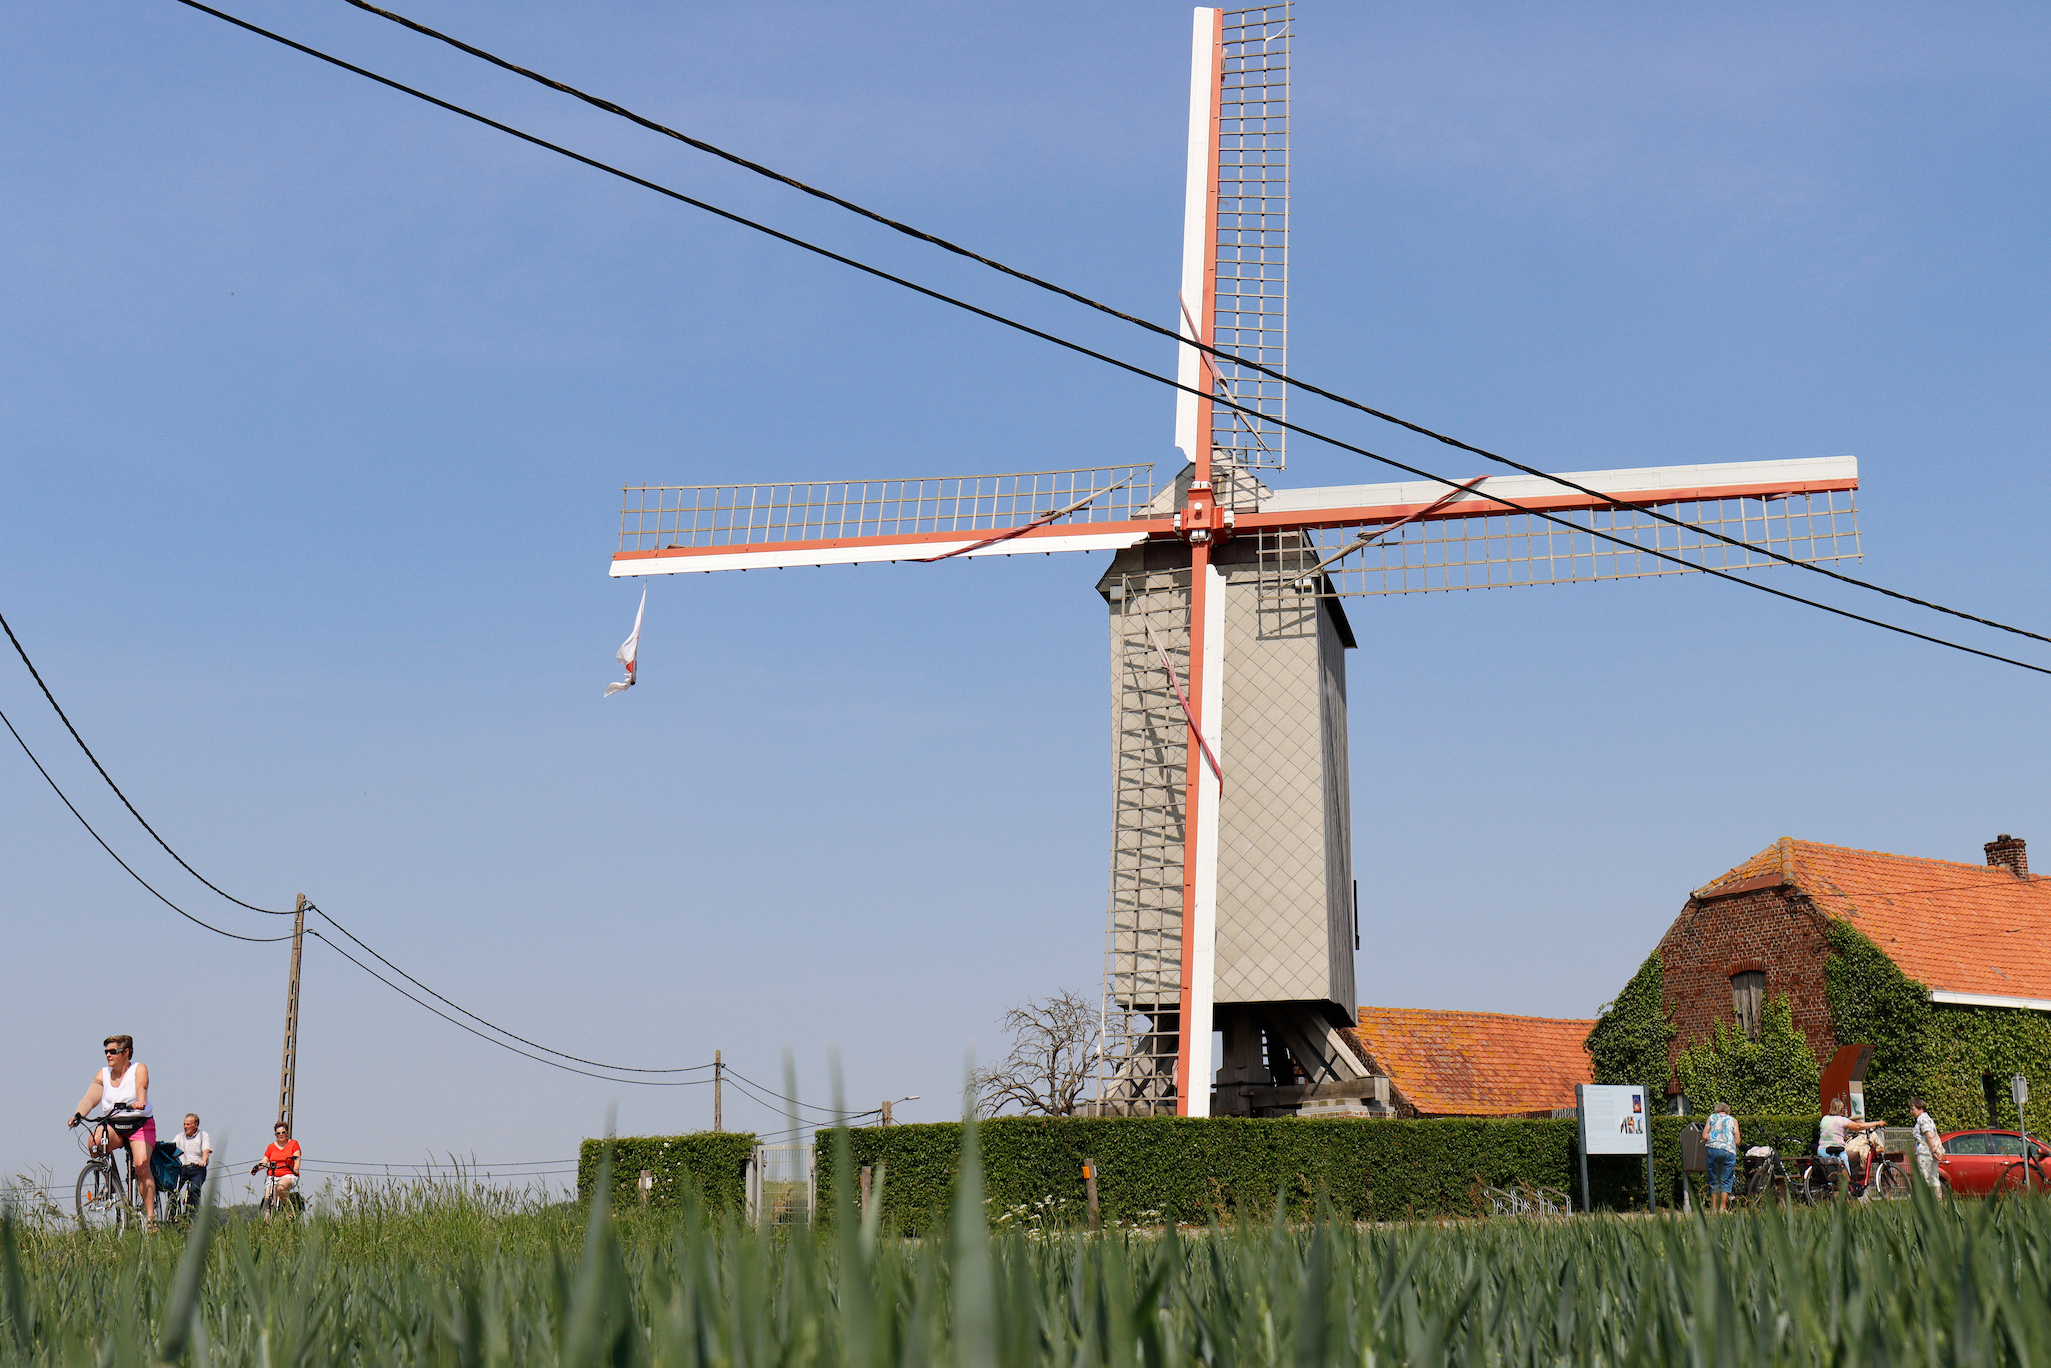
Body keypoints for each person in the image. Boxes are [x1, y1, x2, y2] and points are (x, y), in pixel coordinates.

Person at [67, 1034, 157, 1228]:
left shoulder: (138, 1069)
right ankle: (112, 1184)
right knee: (94, 1142)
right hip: (114, 1124)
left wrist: (140, 1101)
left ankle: (151, 1219)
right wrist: (78, 1114)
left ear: (126, 1053)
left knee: (142, 1166)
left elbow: (142, 1086)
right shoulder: (103, 1074)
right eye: (106, 1051)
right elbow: (90, 1098)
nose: (108, 1055)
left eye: (113, 1051)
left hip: (138, 1123)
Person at [1816, 1103, 1882, 1186]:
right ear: (1840, 1109)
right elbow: (1858, 1126)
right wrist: (1877, 1123)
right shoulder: (1842, 1120)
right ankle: (1849, 1186)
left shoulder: (1824, 1119)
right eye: (1843, 1109)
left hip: (1822, 1151)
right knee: (1847, 1170)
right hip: (1836, 1151)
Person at [252, 1121, 302, 1220]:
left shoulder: (293, 1144)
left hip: (287, 1174)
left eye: (283, 1132)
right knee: (267, 1199)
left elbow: (297, 1158)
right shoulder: (271, 1147)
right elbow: (264, 1161)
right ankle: (267, 1224)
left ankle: (289, 1211)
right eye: (278, 1133)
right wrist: (256, 1168)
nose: (281, 1135)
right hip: (272, 1174)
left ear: (287, 1133)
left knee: (280, 1187)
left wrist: (295, 1168)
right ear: (275, 1135)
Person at [1702, 1102, 1742, 1212]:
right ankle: (1723, 1207)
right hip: (1728, 1151)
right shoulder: (1733, 1120)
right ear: (1728, 1111)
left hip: (1713, 1149)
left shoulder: (1711, 1117)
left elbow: (1705, 1136)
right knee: (1727, 1179)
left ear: (1716, 1110)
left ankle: (1714, 1207)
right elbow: (1738, 1141)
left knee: (1714, 1178)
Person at [171, 1114, 211, 1208]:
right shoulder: (179, 1137)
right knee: (173, 1191)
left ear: (196, 1125)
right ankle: (173, 1214)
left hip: (197, 1168)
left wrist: (203, 1160)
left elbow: (206, 1150)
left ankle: (193, 1214)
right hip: (182, 1169)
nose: (185, 1127)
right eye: (184, 1124)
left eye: (188, 1124)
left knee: (194, 1190)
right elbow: (171, 1149)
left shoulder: (203, 1135)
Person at [1909, 1097, 1947, 1190]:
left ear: (1920, 1109)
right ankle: (1937, 1201)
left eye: (1913, 1109)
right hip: (1928, 1153)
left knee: (1926, 1178)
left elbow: (1930, 1135)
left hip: (1925, 1153)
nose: (1911, 1112)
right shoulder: (1927, 1119)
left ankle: (1929, 1201)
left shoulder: (1923, 1119)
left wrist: (1933, 1151)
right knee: (1933, 1178)